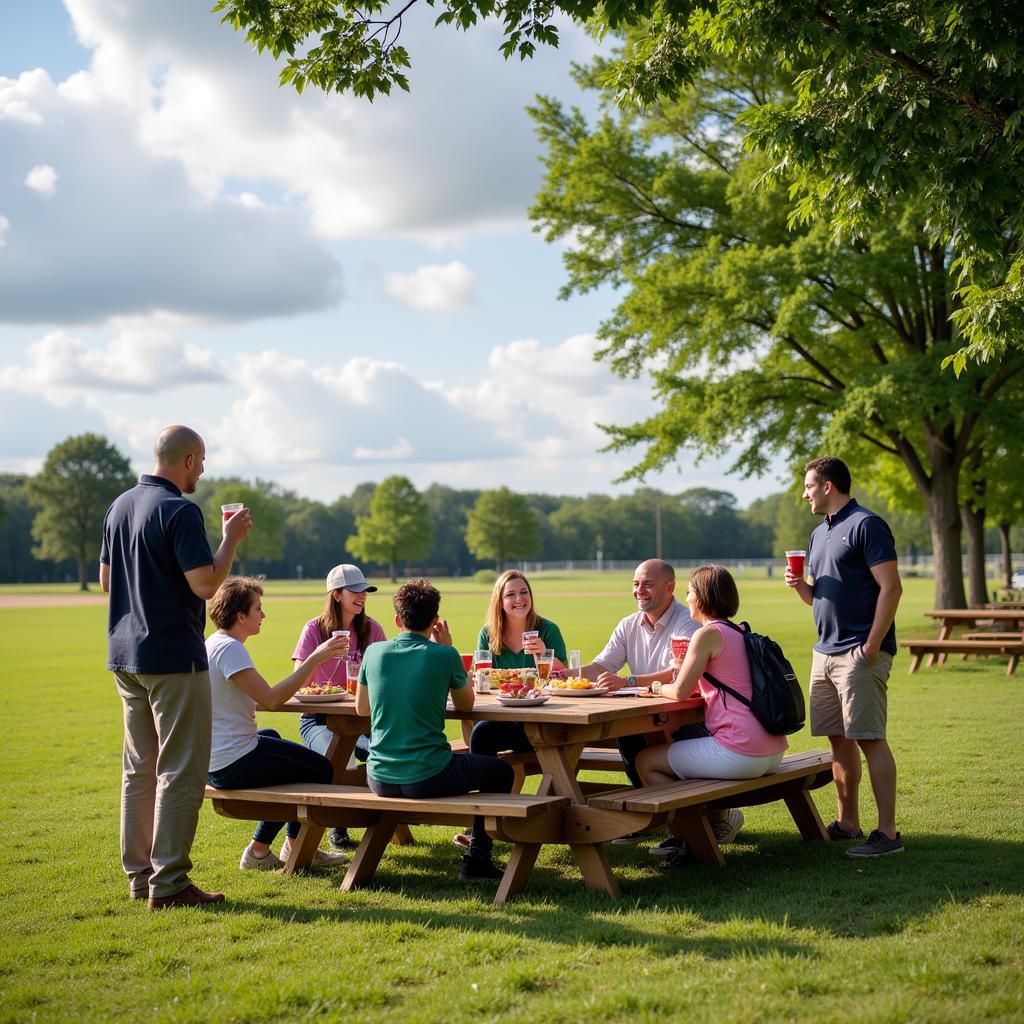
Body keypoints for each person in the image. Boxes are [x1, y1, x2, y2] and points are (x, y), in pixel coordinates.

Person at [99, 425, 252, 910]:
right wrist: (229, 541)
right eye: (202, 461)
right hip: (171, 658)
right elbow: (206, 585)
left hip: (126, 657)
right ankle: (169, 884)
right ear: (187, 460)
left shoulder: (119, 506)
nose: (203, 470)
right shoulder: (181, 510)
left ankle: (140, 877)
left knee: (139, 770)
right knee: (182, 770)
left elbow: (107, 582)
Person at [355, 579, 514, 882]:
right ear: (435, 620)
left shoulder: (374, 652)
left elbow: (362, 709)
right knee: (501, 772)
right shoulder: (444, 655)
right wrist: (449, 648)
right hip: (427, 775)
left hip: (379, 778)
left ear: (397, 620)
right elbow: (467, 705)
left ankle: (478, 857)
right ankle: (478, 859)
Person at [786, 455, 904, 858]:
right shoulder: (819, 534)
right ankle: (847, 823)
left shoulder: (867, 525)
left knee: (870, 739)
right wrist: (801, 587)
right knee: (838, 741)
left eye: (808, 486)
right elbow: (818, 597)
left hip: (859, 652)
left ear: (828, 486)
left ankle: (887, 834)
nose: (804, 494)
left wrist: (871, 645)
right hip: (824, 652)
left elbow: (891, 588)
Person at [636, 565, 788, 868]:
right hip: (772, 751)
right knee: (666, 757)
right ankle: (695, 831)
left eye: (690, 591)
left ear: (703, 597)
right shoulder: (739, 631)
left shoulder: (707, 635)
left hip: (741, 753)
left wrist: (654, 686)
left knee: (645, 761)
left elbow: (679, 692)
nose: (687, 597)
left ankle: (690, 842)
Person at [206, 576, 350, 871]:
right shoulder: (230, 649)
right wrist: (314, 659)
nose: (263, 614)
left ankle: (262, 850)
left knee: (271, 736)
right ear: (240, 616)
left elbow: (254, 698)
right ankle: (291, 847)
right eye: (258, 608)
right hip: (231, 763)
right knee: (321, 769)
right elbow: (271, 701)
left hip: (215, 759)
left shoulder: (214, 644)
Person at [576, 559, 700, 846]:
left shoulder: (686, 621)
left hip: (687, 719)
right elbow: (602, 665)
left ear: (669, 587)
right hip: (646, 715)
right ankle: (652, 820)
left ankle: (688, 824)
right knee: (629, 735)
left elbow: (677, 672)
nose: (638, 590)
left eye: (647, 584)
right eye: (635, 584)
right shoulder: (628, 624)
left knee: (650, 741)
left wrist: (628, 681)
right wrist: (562, 675)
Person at [452, 570, 567, 849]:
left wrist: (543, 654)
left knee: (482, 737)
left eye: (524, 592)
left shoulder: (547, 629)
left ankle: (482, 830)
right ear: (499, 601)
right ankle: (481, 832)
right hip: (504, 718)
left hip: (543, 720)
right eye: (511, 594)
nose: (519, 599)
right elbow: (481, 677)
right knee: (481, 733)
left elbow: (565, 677)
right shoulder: (489, 634)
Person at [293, 563, 387, 850]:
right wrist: (320, 656)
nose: (362, 596)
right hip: (319, 719)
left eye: (365, 591)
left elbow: (388, 674)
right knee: (341, 758)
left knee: (382, 753)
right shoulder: (314, 630)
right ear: (335, 595)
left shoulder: (371, 629)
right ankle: (339, 827)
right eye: (355, 591)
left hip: (362, 719)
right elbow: (299, 683)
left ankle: (385, 818)